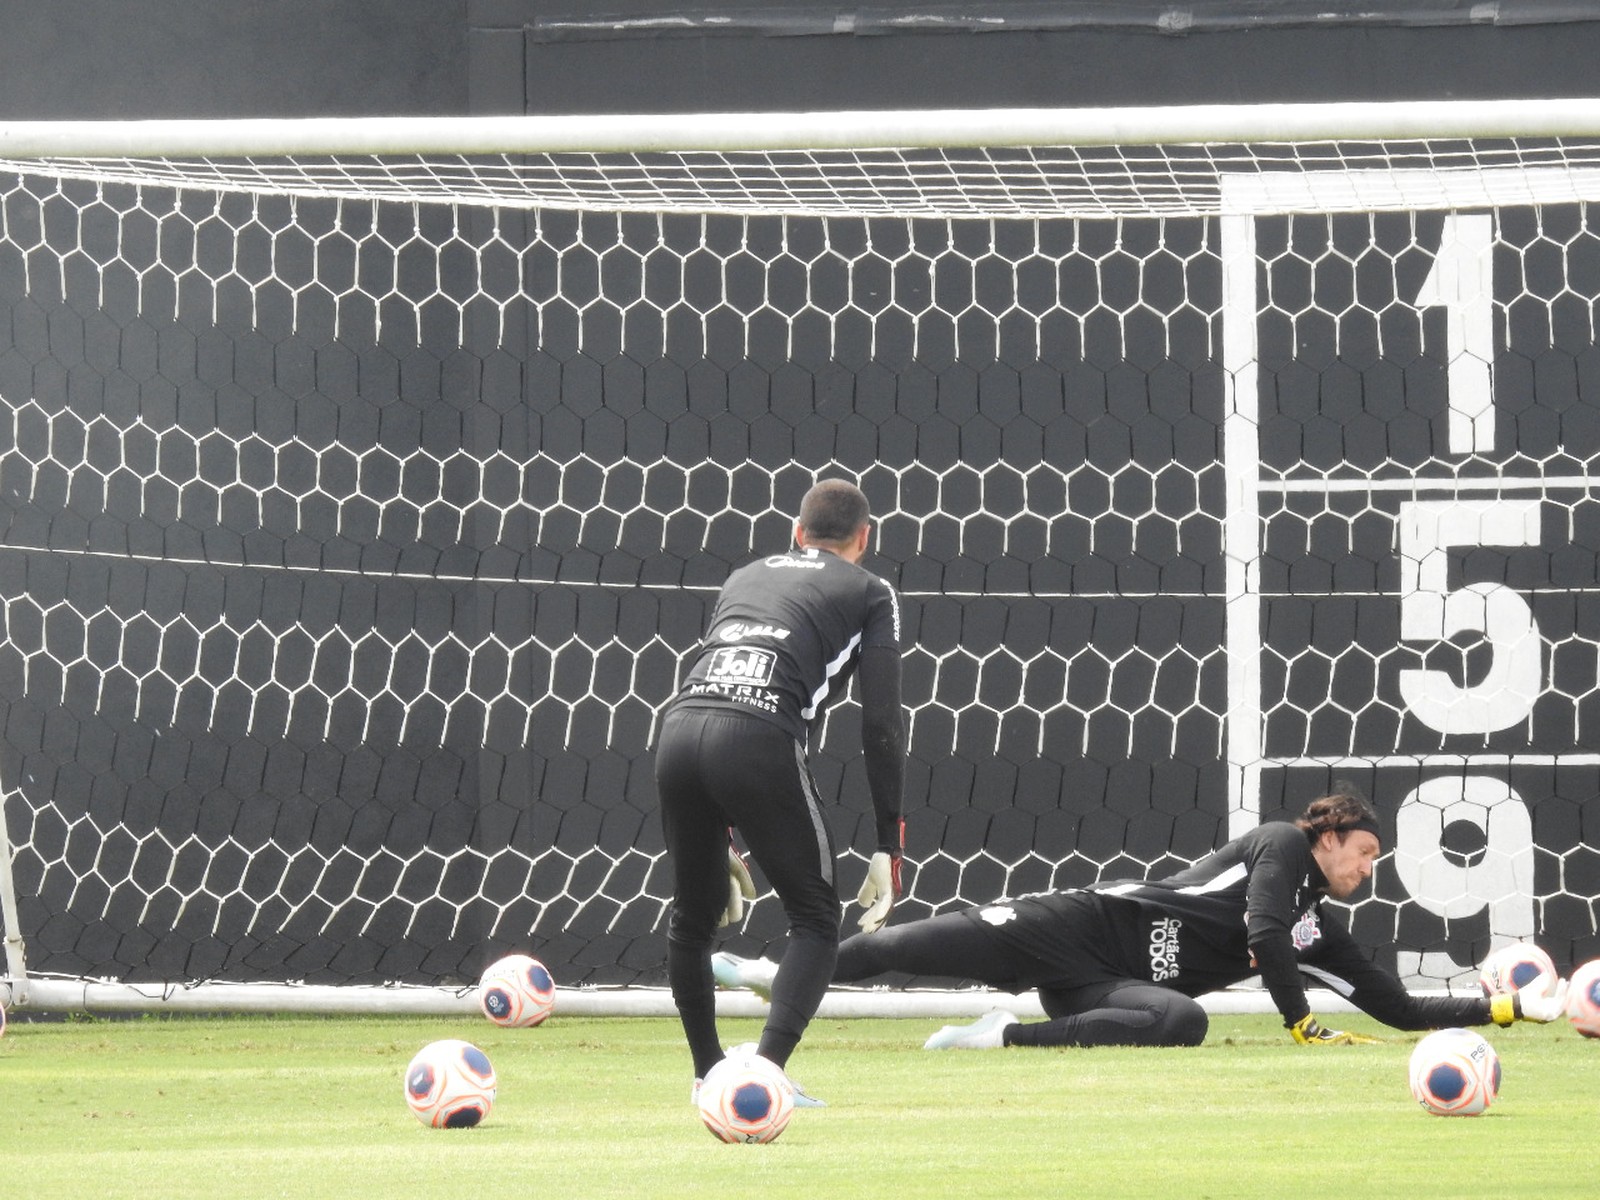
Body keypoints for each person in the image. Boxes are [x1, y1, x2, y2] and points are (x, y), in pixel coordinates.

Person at [714, 787, 1569, 1049]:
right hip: (1081, 924)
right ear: (1334, 835)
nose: (1367, 872)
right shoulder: (1279, 846)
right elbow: (1265, 935)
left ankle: (995, 1037)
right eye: (1367, 855)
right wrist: (1302, 1021)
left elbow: (1395, 1006)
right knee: (912, 946)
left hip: (1105, 984)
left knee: (1185, 1020)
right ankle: (771, 973)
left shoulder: (1321, 929)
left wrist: (1500, 1008)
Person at [655, 478, 906, 1102]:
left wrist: (722, 828)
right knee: (817, 919)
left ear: (797, 531)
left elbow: (726, 672)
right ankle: (763, 1080)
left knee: (692, 916)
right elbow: (880, 723)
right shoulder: (871, 591)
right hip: (759, 740)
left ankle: (708, 1076)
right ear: (864, 539)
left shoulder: (742, 576)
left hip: (678, 732)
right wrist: (887, 843)